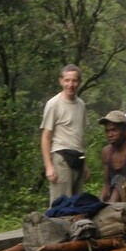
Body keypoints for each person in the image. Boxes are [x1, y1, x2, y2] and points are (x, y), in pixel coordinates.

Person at [40, 64, 87, 205]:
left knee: (77, 205)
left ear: (78, 82)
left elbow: (79, 134)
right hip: (61, 158)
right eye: (67, 80)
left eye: (74, 81)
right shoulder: (53, 104)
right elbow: (45, 136)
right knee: (61, 205)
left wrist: (85, 165)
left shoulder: (81, 105)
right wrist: (49, 166)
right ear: (61, 81)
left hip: (78, 157)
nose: (70, 84)